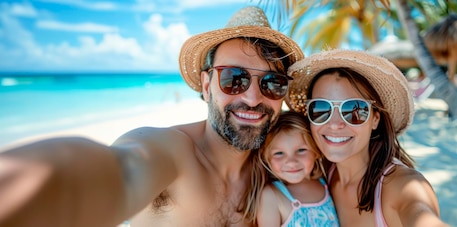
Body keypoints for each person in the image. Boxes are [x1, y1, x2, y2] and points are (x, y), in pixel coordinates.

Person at [0, 6, 303, 227]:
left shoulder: (277, 165)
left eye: (271, 83)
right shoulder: (171, 151)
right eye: (234, 79)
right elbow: (118, 170)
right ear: (207, 85)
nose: (252, 98)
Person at [285, 49, 448, 226]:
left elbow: (420, 213)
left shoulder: (403, 185)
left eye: (354, 110)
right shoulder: (319, 171)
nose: (334, 124)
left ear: (375, 119)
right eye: (321, 109)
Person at [251, 111, 339, 226]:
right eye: (279, 153)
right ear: (266, 158)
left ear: (316, 151)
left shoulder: (325, 182)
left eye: (301, 150)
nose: (291, 162)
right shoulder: (271, 195)